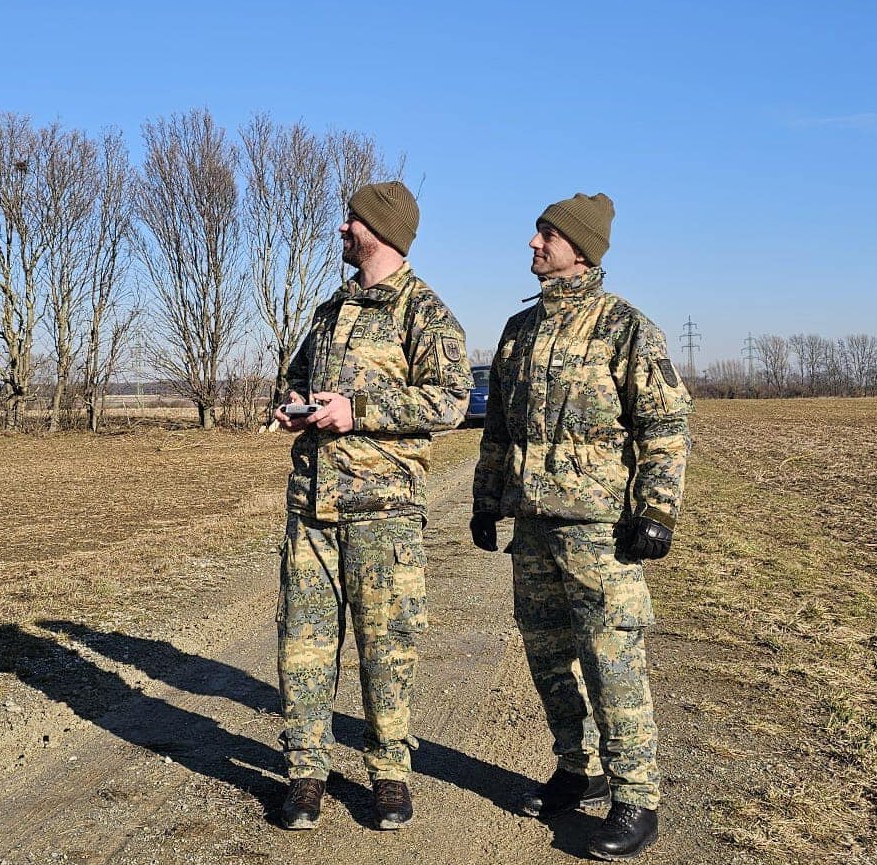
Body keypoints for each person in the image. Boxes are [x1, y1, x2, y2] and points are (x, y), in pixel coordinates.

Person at [471, 193, 692, 860]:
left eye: (546, 234)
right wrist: (487, 502)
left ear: (580, 247)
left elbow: (665, 426)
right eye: (537, 232)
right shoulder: (519, 331)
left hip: (602, 532)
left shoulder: (626, 329)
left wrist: (656, 510)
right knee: (546, 658)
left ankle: (636, 797)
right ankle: (577, 766)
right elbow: (499, 432)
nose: (534, 244)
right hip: (534, 529)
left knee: (612, 661)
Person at [273, 180, 470, 831]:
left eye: (351, 220)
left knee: (385, 649)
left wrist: (359, 412)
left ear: (380, 229)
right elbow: (298, 374)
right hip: (312, 507)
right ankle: (306, 771)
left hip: (382, 513)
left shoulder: (424, 312)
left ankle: (388, 773)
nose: (341, 230)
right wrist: (295, 404)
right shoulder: (333, 309)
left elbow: (449, 400)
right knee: (303, 643)